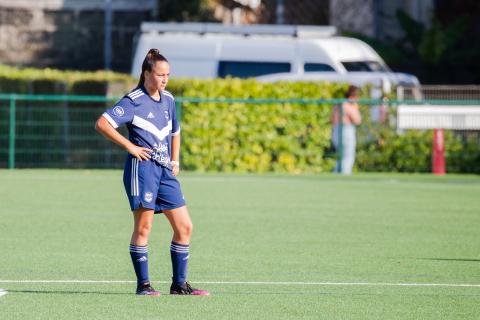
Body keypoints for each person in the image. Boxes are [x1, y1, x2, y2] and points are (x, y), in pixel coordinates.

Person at [95, 48, 209, 296]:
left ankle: (179, 285)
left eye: (167, 74)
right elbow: (102, 123)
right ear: (147, 73)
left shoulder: (168, 99)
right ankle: (143, 285)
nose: (164, 79)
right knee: (144, 227)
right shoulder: (133, 100)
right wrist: (129, 146)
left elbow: (175, 131)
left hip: (165, 171)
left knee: (185, 227)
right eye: (160, 74)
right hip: (142, 170)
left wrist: (175, 160)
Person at [331, 85, 362, 175]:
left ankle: (336, 173)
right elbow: (357, 120)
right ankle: (345, 174)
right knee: (348, 155)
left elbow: (332, 119)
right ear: (353, 96)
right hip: (346, 130)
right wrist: (355, 109)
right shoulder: (348, 105)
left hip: (336, 130)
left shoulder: (338, 104)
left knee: (342, 156)